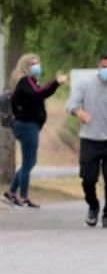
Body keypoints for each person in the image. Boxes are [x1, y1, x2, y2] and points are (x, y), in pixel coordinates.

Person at [65, 52, 107, 228]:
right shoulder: (86, 84)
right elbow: (71, 105)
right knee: (88, 179)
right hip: (90, 139)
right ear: (98, 66)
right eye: (104, 67)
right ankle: (93, 205)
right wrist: (79, 112)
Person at [4, 54, 68, 207]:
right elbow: (39, 94)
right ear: (25, 66)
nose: (37, 67)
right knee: (28, 163)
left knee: (30, 162)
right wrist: (56, 83)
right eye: (33, 64)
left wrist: (52, 85)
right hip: (27, 125)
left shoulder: (30, 82)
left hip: (27, 125)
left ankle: (12, 192)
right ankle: (23, 196)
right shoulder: (25, 81)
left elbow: (40, 94)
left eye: (38, 63)